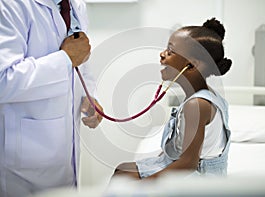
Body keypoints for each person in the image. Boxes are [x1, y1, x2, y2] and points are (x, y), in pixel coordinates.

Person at [0, 0, 103, 196]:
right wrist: (64, 59)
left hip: (64, 157)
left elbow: (80, 61)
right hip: (22, 166)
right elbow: (3, 79)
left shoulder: (76, 5)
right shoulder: (10, 5)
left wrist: (89, 96)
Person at [113, 18, 232, 179]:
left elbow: (188, 164)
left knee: (124, 178)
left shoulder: (197, 104)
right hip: (187, 168)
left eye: (170, 51)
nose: (162, 54)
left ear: (191, 65)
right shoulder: (202, 95)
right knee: (122, 170)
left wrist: (142, 185)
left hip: (199, 179)